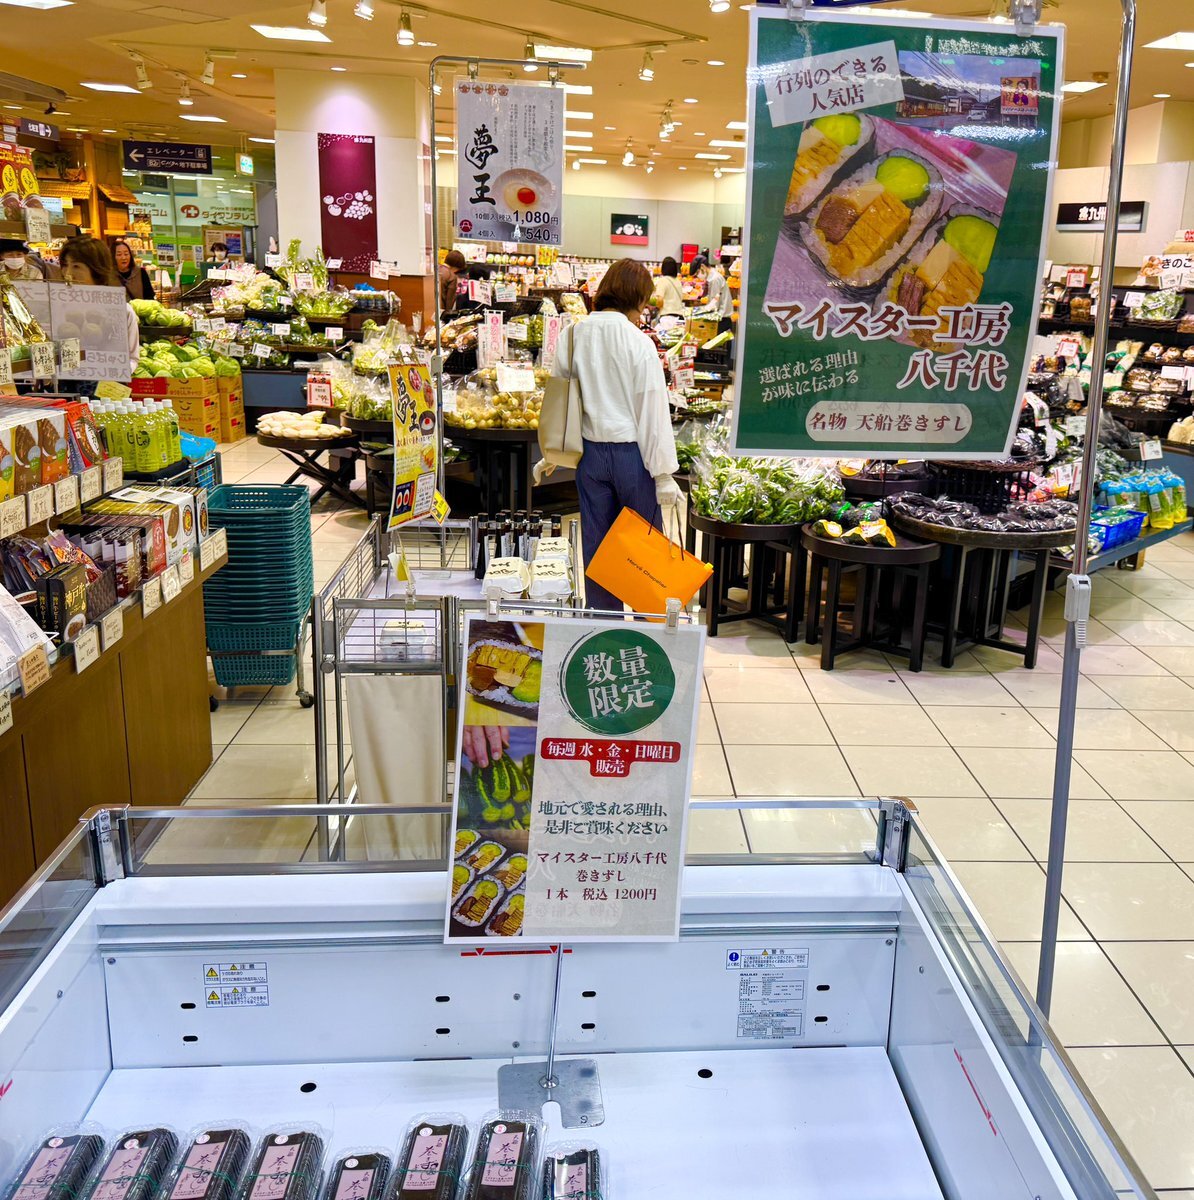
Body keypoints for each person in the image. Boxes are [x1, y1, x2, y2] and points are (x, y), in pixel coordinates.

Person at [546, 258, 681, 613]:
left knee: (598, 548)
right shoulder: (638, 342)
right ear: (637, 298)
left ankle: (604, 624)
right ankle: (648, 622)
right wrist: (663, 474)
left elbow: (559, 400)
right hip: (631, 458)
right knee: (643, 550)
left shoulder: (571, 336)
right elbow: (651, 411)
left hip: (589, 456)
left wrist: (553, 453)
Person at [59, 236, 140, 375]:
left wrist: (116, 373)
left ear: (96, 269)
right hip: (66, 384)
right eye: (65, 265)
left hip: (108, 384)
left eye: (76, 266)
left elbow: (132, 358)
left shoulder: (121, 310)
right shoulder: (58, 307)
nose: (68, 273)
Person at [112, 238, 155, 302]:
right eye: (119, 254)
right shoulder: (109, 276)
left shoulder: (141, 273)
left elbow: (150, 298)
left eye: (126, 254)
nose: (123, 257)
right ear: (113, 257)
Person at [439, 249, 467, 315]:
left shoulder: (434, 269)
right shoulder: (451, 276)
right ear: (456, 267)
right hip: (441, 312)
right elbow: (449, 302)